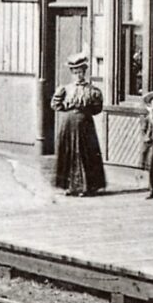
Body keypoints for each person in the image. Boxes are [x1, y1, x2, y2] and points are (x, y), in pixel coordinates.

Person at [50, 52, 106, 196]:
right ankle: (70, 186)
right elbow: (55, 105)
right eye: (75, 73)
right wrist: (67, 106)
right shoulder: (66, 89)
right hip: (69, 124)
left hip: (85, 124)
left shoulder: (91, 90)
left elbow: (97, 108)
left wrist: (85, 110)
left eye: (81, 72)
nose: (78, 75)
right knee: (69, 152)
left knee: (85, 153)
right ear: (72, 73)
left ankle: (86, 187)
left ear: (85, 72)